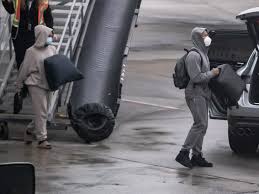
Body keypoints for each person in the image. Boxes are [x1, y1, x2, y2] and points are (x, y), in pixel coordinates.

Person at [175, 27, 220, 168]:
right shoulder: (194, 56)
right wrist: (213, 73)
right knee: (199, 124)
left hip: (202, 93)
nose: (207, 37)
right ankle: (183, 153)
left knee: (203, 125)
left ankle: (197, 155)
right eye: (204, 35)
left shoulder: (203, 53)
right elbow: (196, 77)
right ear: (197, 38)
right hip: (195, 94)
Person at [16, 25, 56, 149]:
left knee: (44, 112)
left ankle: (29, 131)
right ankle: (42, 139)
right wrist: (19, 85)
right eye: (49, 35)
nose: (51, 37)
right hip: (35, 84)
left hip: (48, 84)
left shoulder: (52, 49)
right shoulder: (31, 52)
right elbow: (24, 69)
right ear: (42, 36)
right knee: (42, 112)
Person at [2, 0, 53, 69]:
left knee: (33, 60)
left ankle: (31, 78)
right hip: (19, 35)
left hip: (34, 35)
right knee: (20, 59)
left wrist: (50, 32)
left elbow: (48, 17)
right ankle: (21, 78)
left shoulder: (43, 2)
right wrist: (5, 1)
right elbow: (11, 10)